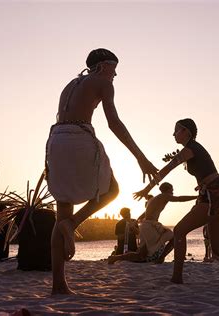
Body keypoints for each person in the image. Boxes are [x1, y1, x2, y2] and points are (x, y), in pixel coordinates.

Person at [45, 48, 159, 294]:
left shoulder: (71, 84)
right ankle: (73, 223)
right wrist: (141, 157)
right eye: (114, 68)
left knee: (62, 209)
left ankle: (59, 285)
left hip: (56, 139)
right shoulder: (103, 83)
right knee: (113, 190)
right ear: (103, 65)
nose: (115, 74)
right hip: (79, 137)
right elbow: (113, 122)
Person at [134, 118, 219, 284]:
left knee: (180, 231)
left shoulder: (191, 148)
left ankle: (176, 278)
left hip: (213, 194)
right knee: (217, 247)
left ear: (187, 131)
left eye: (177, 130)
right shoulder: (193, 149)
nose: (173, 134)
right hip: (217, 193)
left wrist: (146, 189)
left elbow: (166, 170)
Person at [109, 182, 196, 264]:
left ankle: (115, 258)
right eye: (172, 190)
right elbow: (179, 199)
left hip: (145, 226)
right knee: (174, 238)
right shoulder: (164, 196)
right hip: (150, 226)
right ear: (167, 190)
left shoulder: (154, 199)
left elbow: (144, 214)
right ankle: (161, 258)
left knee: (141, 255)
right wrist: (196, 197)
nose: (173, 192)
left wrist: (136, 221)